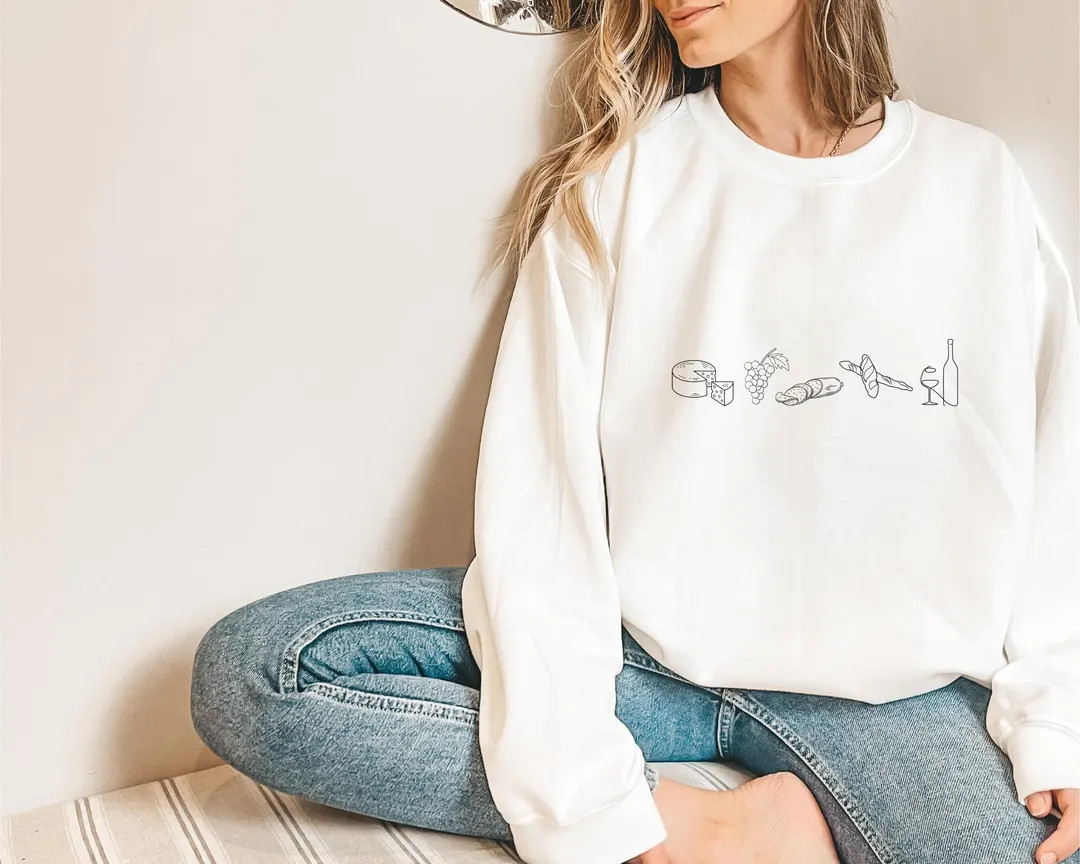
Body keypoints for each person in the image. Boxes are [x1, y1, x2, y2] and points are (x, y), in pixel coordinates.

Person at [188, 0, 1080, 861]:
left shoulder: (975, 181)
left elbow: (1058, 484)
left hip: (898, 699)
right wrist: (591, 801)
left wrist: (1060, 722)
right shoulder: (618, 182)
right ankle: (714, 829)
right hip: (642, 659)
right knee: (257, 672)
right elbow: (543, 499)